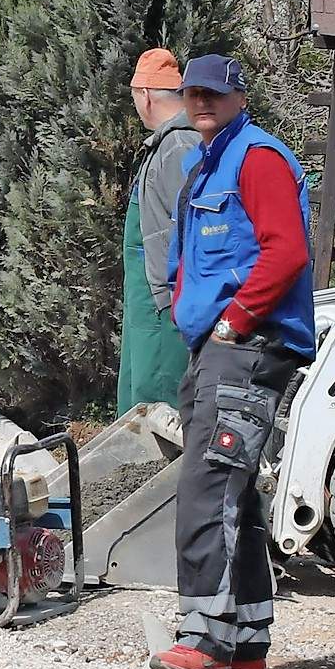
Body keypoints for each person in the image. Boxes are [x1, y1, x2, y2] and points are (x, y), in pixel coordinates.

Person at [148, 54, 315, 669]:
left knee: (207, 488)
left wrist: (235, 319)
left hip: (247, 346)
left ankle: (206, 638)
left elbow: (287, 250)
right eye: (192, 93)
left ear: (239, 96)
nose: (201, 103)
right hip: (218, 347)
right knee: (233, 496)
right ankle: (244, 640)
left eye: (214, 93)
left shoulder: (259, 158)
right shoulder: (207, 164)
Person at [115, 48, 203, 416]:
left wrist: (168, 298)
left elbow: (193, 229)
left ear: (146, 94)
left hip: (162, 305)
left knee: (158, 405)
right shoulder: (167, 143)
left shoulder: (179, 145)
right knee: (140, 400)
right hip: (148, 301)